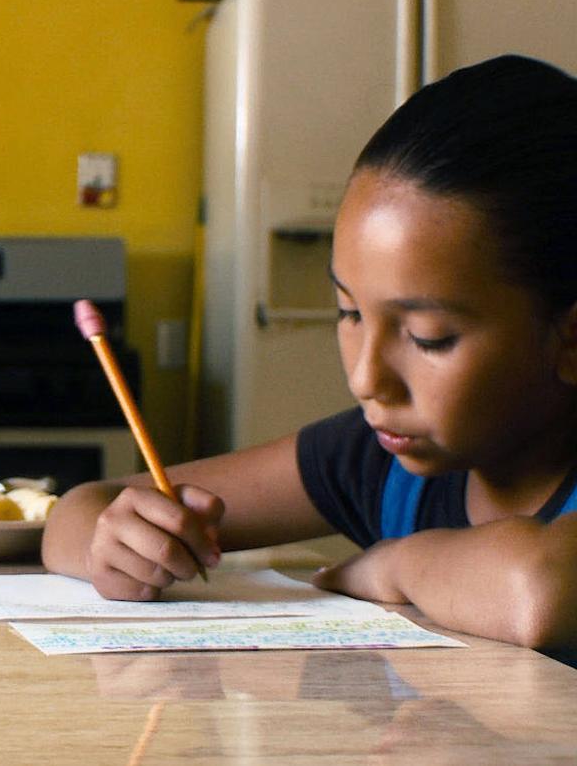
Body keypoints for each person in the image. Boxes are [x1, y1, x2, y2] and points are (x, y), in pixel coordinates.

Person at [42, 54, 577, 655]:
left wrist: (391, 567)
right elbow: (75, 512)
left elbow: (543, 590)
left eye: (428, 336)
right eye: (350, 313)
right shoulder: (381, 459)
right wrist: (120, 543)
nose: (366, 377)